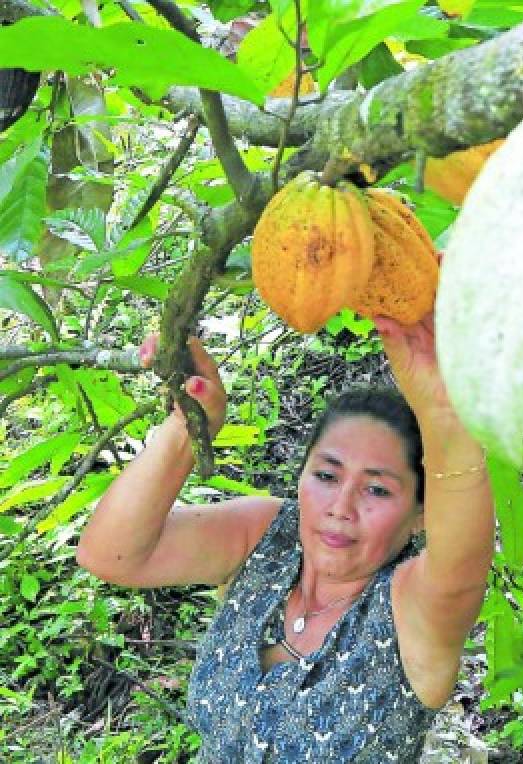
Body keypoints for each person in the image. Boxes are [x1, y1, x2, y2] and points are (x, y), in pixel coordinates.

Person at [76, 315, 495, 762]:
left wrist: (443, 415)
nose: (341, 507)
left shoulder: (412, 609)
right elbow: (111, 554)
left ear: (421, 516)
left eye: (377, 489)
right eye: (327, 476)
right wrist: (189, 424)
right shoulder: (267, 537)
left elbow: (460, 571)